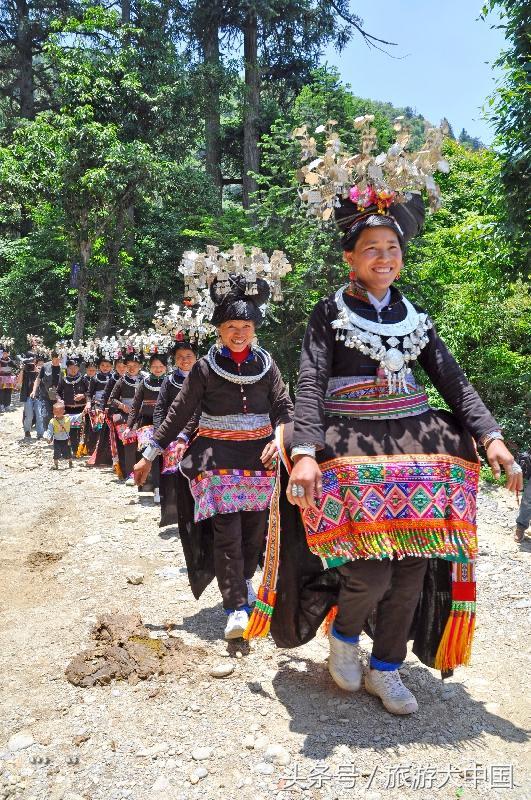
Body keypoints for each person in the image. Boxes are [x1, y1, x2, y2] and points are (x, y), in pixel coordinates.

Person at [274, 187, 522, 715]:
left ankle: (386, 668)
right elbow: (312, 382)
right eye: (371, 248)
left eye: (392, 247)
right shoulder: (329, 313)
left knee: (412, 565)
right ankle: (344, 636)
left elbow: (452, 382)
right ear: (350, 258)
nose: (384, 258)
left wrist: (491, 436)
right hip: (350, 446)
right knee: (370, 570)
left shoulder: (417, 316)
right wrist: (307, 452)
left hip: (415, 444)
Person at [134, 276, 293, 640]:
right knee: (227, 532)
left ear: (255, 328)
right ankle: (235, 605)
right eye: (231, 327)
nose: (239, 333)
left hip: (260, 459)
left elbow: (284, 407)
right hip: (216, 460)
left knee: (254, 532)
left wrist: (281, 438)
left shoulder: (268, 366)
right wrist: (148, 455)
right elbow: (176, 414)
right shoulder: (205, 368)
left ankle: (245, 581)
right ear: (219, 330)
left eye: (246, 326)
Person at [154, 340, 198, 526]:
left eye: (188, 356)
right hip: (172, 434)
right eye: (180, 357)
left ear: (196, 357)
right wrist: (159, 436)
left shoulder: (204, 377)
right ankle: (176, 516)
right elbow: (160, 408)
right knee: (172, 478)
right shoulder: (169, 380)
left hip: (197, 433)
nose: (184, 360)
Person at [126, 351, 167, 503]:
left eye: (161, 366)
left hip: (165, 423)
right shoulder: (144, 383)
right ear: (149, 367)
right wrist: (129, 426)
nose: (157, 369)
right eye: (154, 366)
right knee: (150, 455)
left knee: (165, 457)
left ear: (166, 367)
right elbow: (136, 406)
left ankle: (164, 489)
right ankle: (154, 489)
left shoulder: (170, 381)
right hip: (146, 423)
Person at [108, 351, 143, 482]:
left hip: (143, 416)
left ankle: (146, 474)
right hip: (126, 416)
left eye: (135, 365)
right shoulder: (122, 381)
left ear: (140, 366)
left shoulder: (146, 379)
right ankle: (130, 474)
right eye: (129, 365)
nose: (132, 368)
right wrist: (123, 406)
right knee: (130, 445)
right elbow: (112, 399)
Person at [82, 352, 113, 458]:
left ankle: (108, 453)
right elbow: (89, 394)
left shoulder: (114, 378)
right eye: (103, 365)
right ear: (99, 366)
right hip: (98, 407)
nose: (105, 368)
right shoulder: (94, 378)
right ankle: (93, 450)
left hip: (111, 406)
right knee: (96, 428)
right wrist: (88, 403)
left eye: (108, 366)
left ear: (112, 367)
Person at [57, 357, 89, 455]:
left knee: (82, 431)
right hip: (68, 410)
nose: (73, 369)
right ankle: (74, 450)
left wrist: (83, 395)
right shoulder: (63, 380)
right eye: (71, 367)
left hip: (82, 410)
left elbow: (90, 392)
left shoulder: (83, 379)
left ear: (79, 368)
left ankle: (82, 450)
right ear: (67, 368)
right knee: (71, 431)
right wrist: (60, 400)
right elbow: (58, 393)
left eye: (75, 367)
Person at [32, 350, 62, 428]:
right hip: (45, 396)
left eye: (59, 359)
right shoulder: (45, 366)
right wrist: (34, 391)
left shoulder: (63, 368)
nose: (58, 361)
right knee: (46, 414)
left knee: (58, 415)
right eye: (56, 359)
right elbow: (38, 379)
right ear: (52, 358)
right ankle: (47, 432)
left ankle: (55, 433)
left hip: (58, 396)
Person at [18, 353, 45, 440]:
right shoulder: (25, 370)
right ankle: (27, 431)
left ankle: (40, 434)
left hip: (38, 395)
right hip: (27, 395)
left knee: (39, 415)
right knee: (29, 415)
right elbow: (18, 382)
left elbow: (42, 379)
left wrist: (36, 368)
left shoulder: (39, 369)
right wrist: (22, 369)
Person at [44, 401, 74, 469]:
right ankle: (56, 465)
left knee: (68, 453)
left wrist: (83, 413)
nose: (58, 413)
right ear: (53, 412)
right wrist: (48, 438)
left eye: (60, 411)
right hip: (57, 440)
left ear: (64, 411)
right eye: (56, 411)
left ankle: (70, 462)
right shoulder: (52, 421)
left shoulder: (67, 418)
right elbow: (49, 430)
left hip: (66, 440)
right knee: (56, 453)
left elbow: (76, 417)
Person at [0, 344, 18, 412]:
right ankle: (1, 405)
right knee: (1, 392)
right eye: (3, 353)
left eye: (6, 353)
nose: (5, 354)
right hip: (1, 378)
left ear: (8, 353)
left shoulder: (10, 360)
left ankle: (7, 405)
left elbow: (16, 366)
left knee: (8, 391)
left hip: (9, 378)